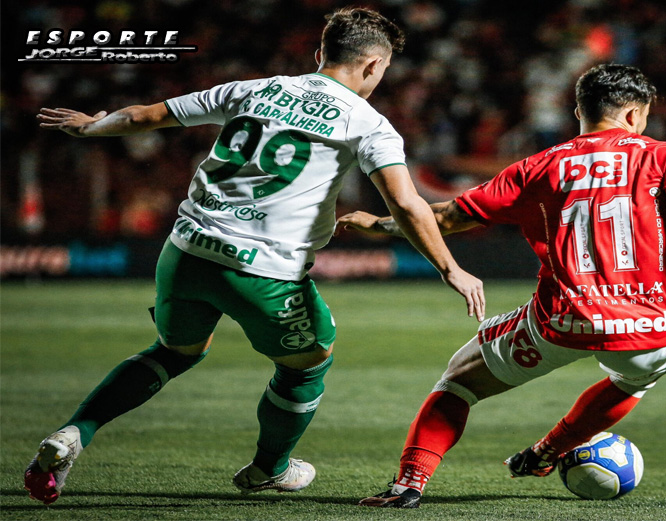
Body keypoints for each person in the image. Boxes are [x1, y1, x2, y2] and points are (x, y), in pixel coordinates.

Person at [335, 63, 666, 509]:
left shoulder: (539, 165)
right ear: (636, 115)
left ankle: (409, 483)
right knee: (647, 369)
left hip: (564, 320)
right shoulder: (664, 157)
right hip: (651, 328)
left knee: (458, 383)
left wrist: (379, 224)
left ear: (580, 113)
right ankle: (550, 450)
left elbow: (449, 217)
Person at [26, 7, 484, 505]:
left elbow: (143, 116)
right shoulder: (368, 123)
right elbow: (407, 203)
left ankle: (72, 434)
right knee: (308, 364)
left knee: (174, 351)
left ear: (319, 55)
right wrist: (451, 268)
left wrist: (93, 127)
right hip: (263, 272)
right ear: (374, 65)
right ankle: (269, 467)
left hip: (186, 251)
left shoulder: (251, 88)